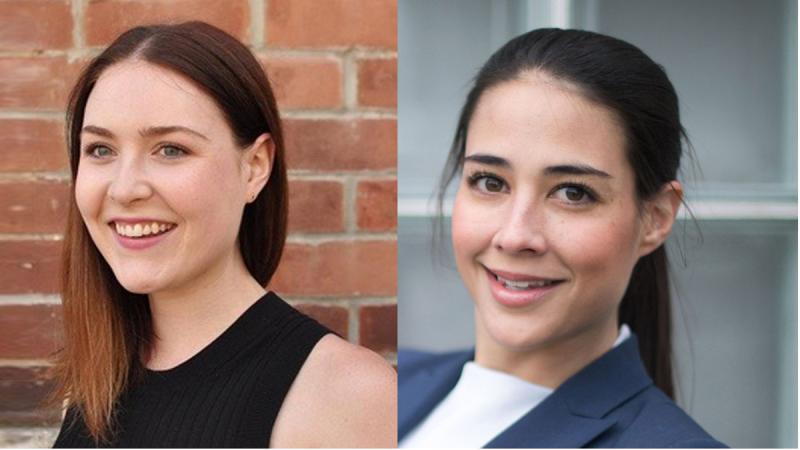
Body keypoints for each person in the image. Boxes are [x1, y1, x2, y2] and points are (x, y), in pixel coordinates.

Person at [50, 21, 396, 448]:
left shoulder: (346, 395)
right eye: (101, 150)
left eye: (171, 149)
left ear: (254, 167)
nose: (124, 188)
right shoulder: (93, 381)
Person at [398, 28, 725, 448]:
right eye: (490, 182)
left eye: (573, 192)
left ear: (656, 218)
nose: (515, 236)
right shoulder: (394, 380)